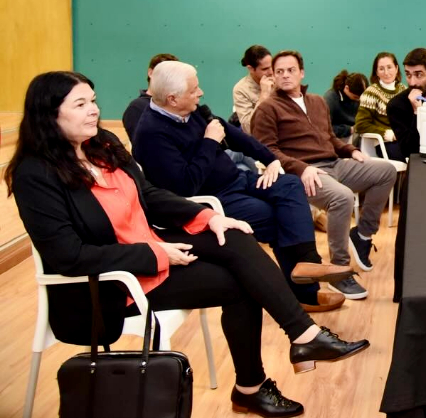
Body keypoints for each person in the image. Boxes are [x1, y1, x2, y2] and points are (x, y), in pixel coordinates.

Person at [6, 71, 370, 417]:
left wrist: (208, 217)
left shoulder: (103, 145)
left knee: (234, 235)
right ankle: (254, 384)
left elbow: (148, 195)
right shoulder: (35, 174)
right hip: (107, 284)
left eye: (93, 100)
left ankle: (302, 335)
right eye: (81, 104)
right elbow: (68, 256)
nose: (95, 110)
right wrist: (155, 253)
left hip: (146, 245)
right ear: (49, 115)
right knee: (241, 285)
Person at [132, 61, 357, 306]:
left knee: (290, 184)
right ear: (173, 99)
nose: (201, 93)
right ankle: (304, 294)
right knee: (275, 216)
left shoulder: (192, 110)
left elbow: (236, 136)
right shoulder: (151, 134)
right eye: (194, 90)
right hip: (213, 199)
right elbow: (185, 186)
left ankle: (308, 263)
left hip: (237, 179)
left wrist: (271, 160)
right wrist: (210, 142)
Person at [252, 51, 396, 299]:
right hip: (303, 172)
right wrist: (302, 168)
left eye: (290, 70)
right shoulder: (268, 108)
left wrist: (351, 151)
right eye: (279, 72)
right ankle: (339, 271)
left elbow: (329, 138)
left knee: (386, 171)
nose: (285, 75)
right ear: (273, 76)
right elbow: (267, 151)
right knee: (342, 197)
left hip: (334, 163)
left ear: (301, 73)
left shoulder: (317, 101)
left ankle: (362, 234)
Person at [354, 52, 406, 160]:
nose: (386, 72)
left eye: (389, 67)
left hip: (405, 139)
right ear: (376, 72)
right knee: (411, 156)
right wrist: (386, 133)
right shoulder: (371, 93)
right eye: (381, 69)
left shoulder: (404, 90)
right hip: (385, 143)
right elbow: (361, 125)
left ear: (396, 68)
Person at [122, 52, 177, 142]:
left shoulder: (177, 105)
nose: (169, 79)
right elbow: (145, 144)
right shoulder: (137, 107)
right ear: (150, 73)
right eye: (164, 74)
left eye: (174, 75)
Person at [233, 45, 274, 134]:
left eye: (272, 66)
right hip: (263, 136)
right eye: (265, 69)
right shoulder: (241, 89)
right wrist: (263, 96)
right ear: (251, 69)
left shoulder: (280, 78)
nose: (271, 72)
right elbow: (248, 129)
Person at [325, 70, 368, 141]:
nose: (358, 101)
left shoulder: (360, 98)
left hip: (355, 136)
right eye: (356, 97)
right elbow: (324, 128)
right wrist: (349, 130)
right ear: (347, 88)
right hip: (336, 139)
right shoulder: (330, 99)